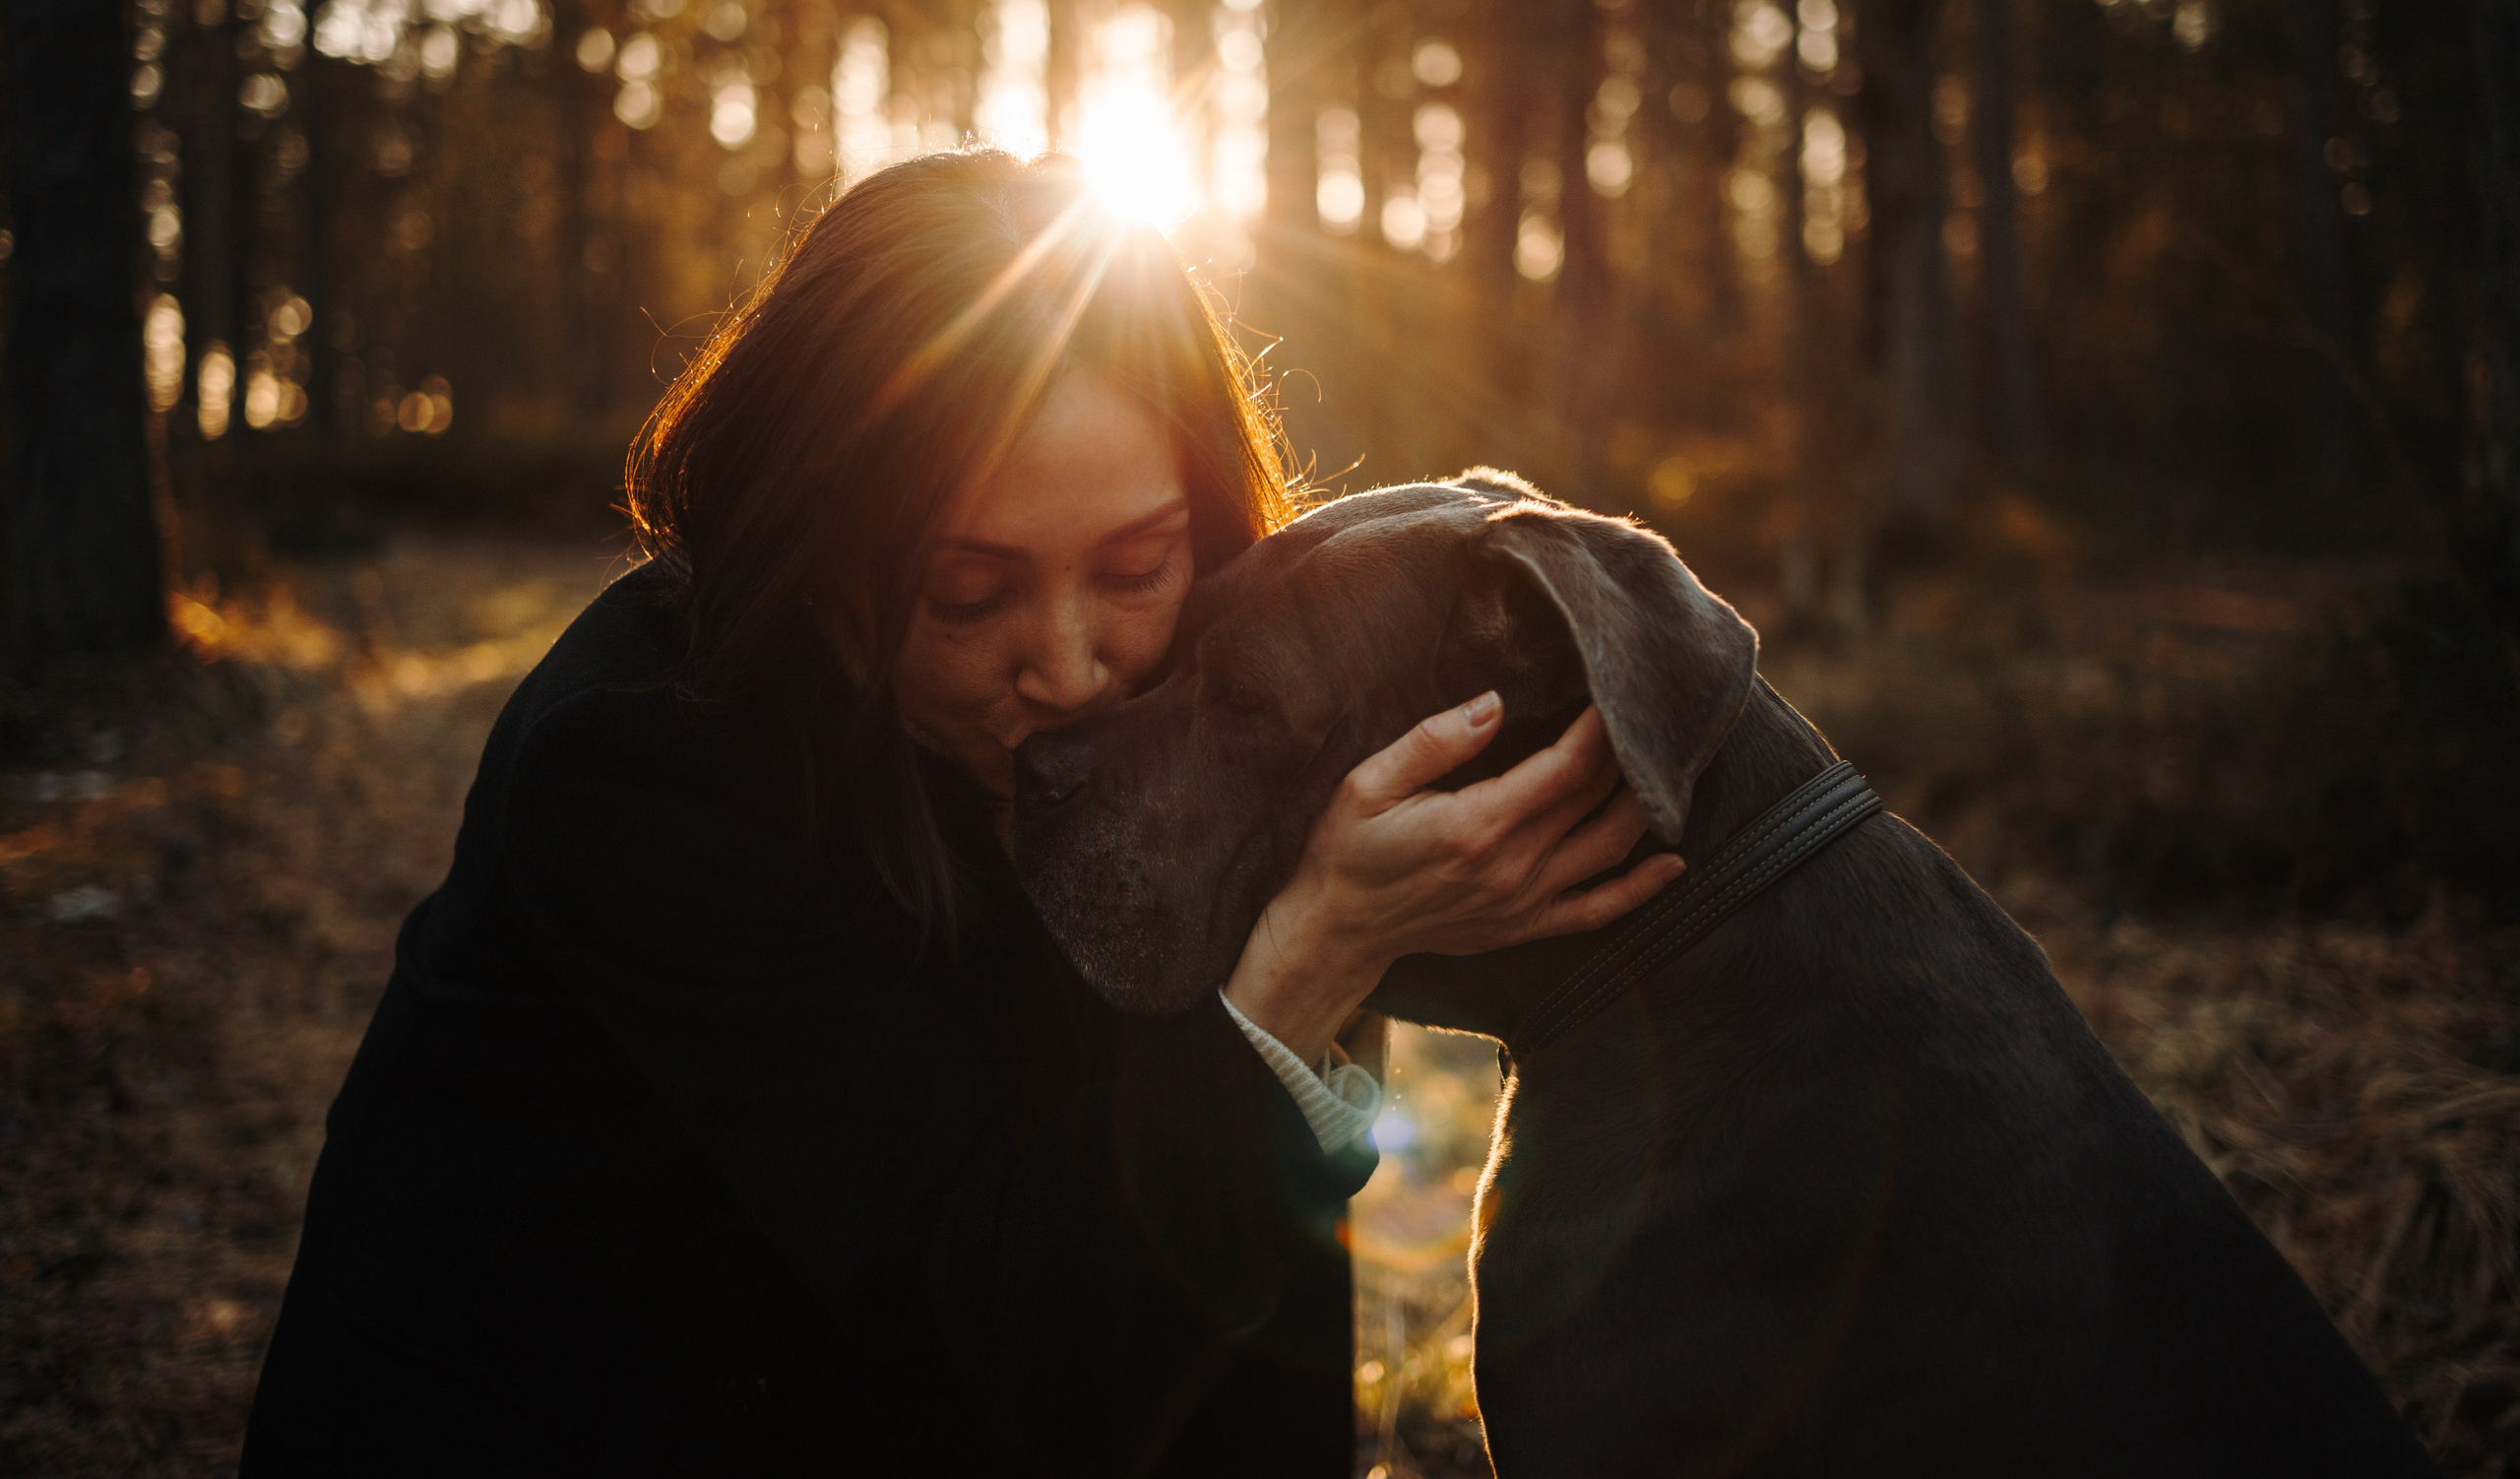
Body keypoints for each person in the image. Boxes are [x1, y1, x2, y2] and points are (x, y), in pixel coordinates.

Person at [237, 151, 1680, 1477]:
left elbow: (1251, 1319)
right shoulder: (643, 765)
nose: (1069, 666)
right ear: (825, 549)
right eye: (970, 593)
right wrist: (1304, 965)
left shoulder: (1231, 711)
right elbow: (986, 1330)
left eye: (1135, 566)